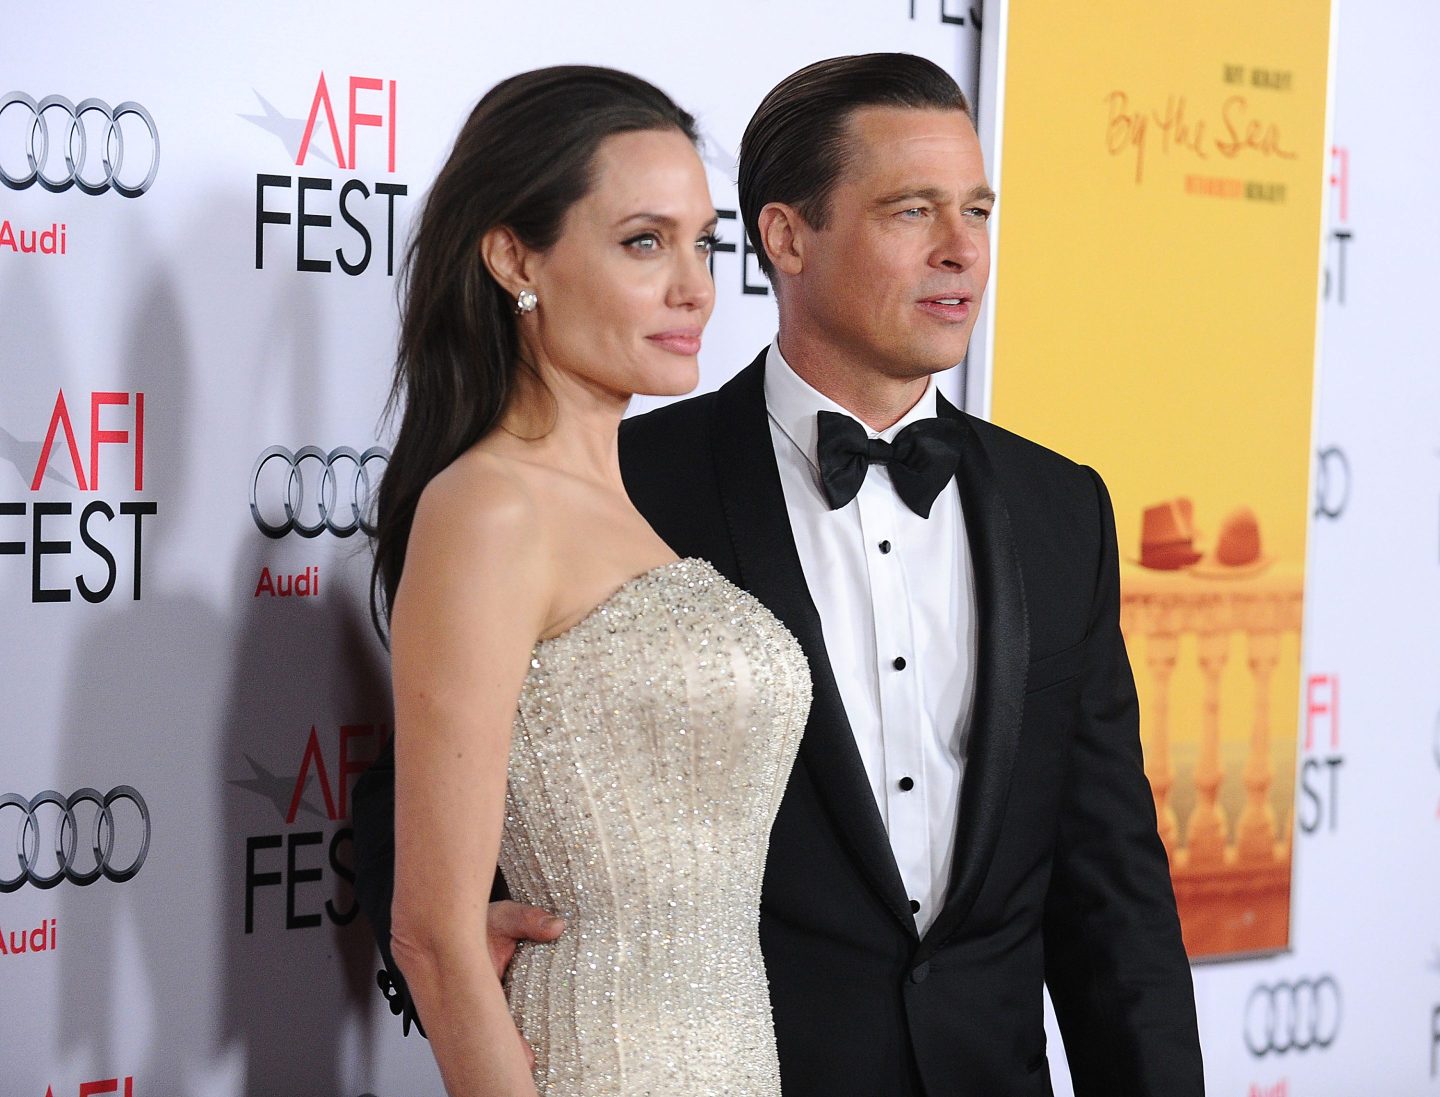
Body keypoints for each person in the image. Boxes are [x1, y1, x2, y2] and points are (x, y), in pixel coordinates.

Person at [486, 53, 1206, 1095]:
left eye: (977, 211)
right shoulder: (622, 486)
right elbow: (424, 779)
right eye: (913, 211)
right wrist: (463, 940)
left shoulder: (1063, 510)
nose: (962, 250)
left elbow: (1112, 890)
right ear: (787, 235)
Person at [361, 66, 811, 1096]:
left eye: (704, 241)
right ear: (516, 255)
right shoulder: (490, 507)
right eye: (644, 241)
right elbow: (432, 931)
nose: (695, 286)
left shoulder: (638, 507)